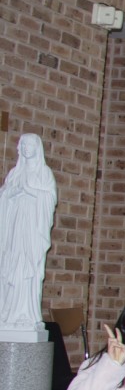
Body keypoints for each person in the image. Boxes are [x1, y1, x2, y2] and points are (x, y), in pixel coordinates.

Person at [0, 132, 56, 335]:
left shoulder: (44, 173)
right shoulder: (15, 173)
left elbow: (49, 198)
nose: (26, 148)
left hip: (32, 231)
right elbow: (4, 195)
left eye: (30, 145)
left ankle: (26, 313)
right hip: (15, 228)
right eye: (23, 145)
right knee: (11, 267)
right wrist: (12, 193)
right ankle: (8, 313)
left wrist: (29, 190)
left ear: (37, 148)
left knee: (28, 271)